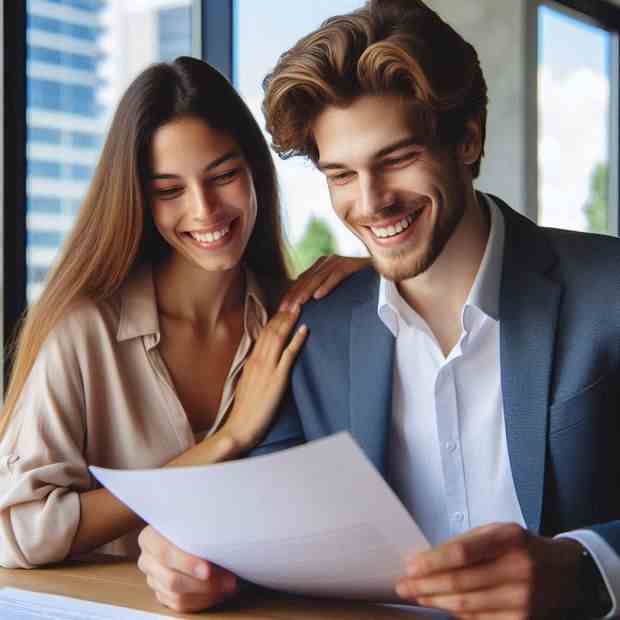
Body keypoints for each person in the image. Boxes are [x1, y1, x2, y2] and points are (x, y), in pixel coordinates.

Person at [137, 1, 620, 618]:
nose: (371, 204)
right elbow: (256, 519)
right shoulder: (313, 325)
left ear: (468, 138)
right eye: (341, 174)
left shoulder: (607, 289)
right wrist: (187, 555)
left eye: (396, 160)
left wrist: (584, 569)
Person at [0, 57, 368, 570]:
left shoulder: (294, 322)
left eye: (223, 175)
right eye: (170, 190)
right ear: (140, 201)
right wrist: (225, 441)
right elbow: (18, 536)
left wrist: (378, 273)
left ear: (255, 172)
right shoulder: (83, 334)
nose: (205, 210)